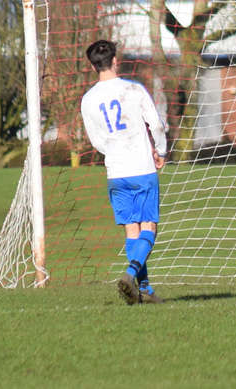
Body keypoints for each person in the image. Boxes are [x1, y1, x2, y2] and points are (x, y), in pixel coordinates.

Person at [80, 40, 167, 305]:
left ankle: (146, 291)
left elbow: (96, 141)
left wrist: (115, 151)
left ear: (92, 65)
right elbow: (157, 125)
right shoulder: (133, 89)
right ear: (115, 60)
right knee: (148, 226)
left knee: (131, 229)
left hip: (115, 172)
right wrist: (160, 152)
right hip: (141, 167)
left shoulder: (88, 99)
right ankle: (130, 275)